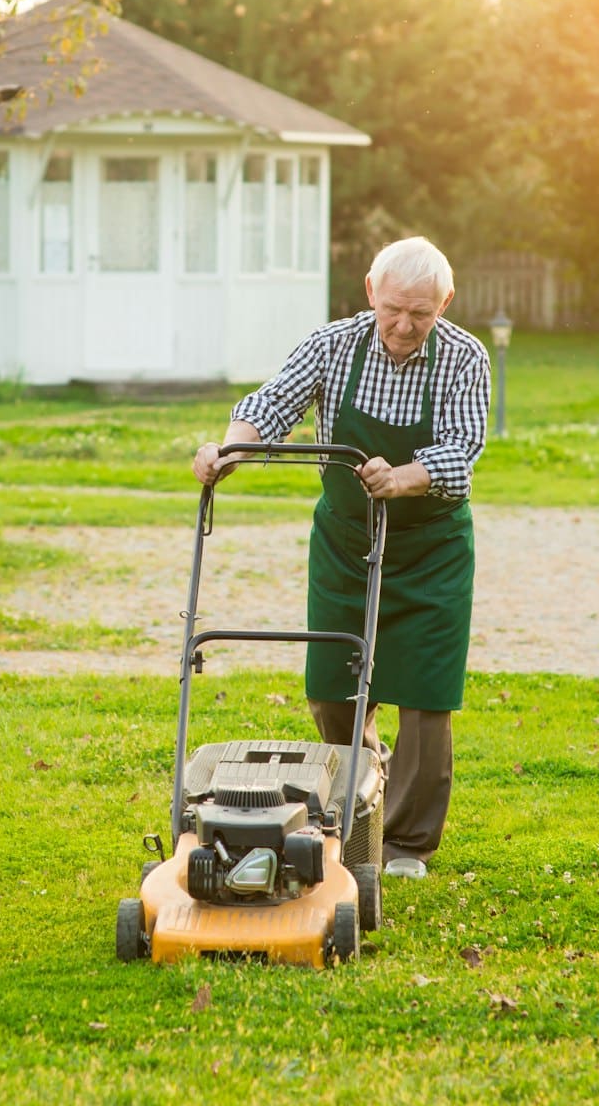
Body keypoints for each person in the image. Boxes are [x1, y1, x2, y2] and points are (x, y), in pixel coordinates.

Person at [191, 236, 489, 880]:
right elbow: (270, 406)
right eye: (393, 310)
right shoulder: (333, 345)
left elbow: (461, 453)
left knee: (426, 693)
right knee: (332, 685)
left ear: (447, 302)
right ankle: (361, 783)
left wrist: (404, 476)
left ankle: (406, 843)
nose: (404, 326)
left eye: (422, 313)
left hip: (431, 546)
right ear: (370, 293)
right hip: (346, 542)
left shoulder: (466, 358)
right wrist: (228, 451)